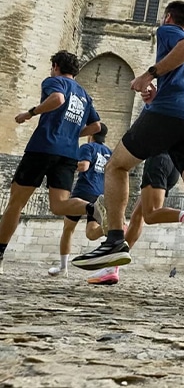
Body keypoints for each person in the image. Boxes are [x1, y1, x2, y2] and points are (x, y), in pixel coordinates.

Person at [71, 2, 184, 302]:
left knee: (116, 166)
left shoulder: (170, 32)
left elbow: (181, 47)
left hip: (170, 115)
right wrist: (158, 91)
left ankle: (116, 240)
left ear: (169, 17)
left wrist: (149, 74)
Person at [0, 51, 104, 273]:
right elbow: (96, 126)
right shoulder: (85, 94)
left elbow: (58, 99)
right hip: (68, 153)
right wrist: (73, 133)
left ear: (56, 66)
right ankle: (91, 207)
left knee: (16, 203)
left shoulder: (54, 81)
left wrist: (30, 113)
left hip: (43, 147)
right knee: (59, 205)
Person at [86, 152, 184, 285]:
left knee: (151, 214)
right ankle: (111, 268)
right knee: (137, 217)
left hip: (158, 159)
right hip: (173, 165)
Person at [48, 123, 111, 276]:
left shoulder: (88, 147)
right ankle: (108, 228)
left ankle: (63, 268)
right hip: (101, 194)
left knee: (68, 229)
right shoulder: (110, 152)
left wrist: (66, 166)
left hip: (83, 192)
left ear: (92, 134)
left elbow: (83, 166)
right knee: (91, 233)